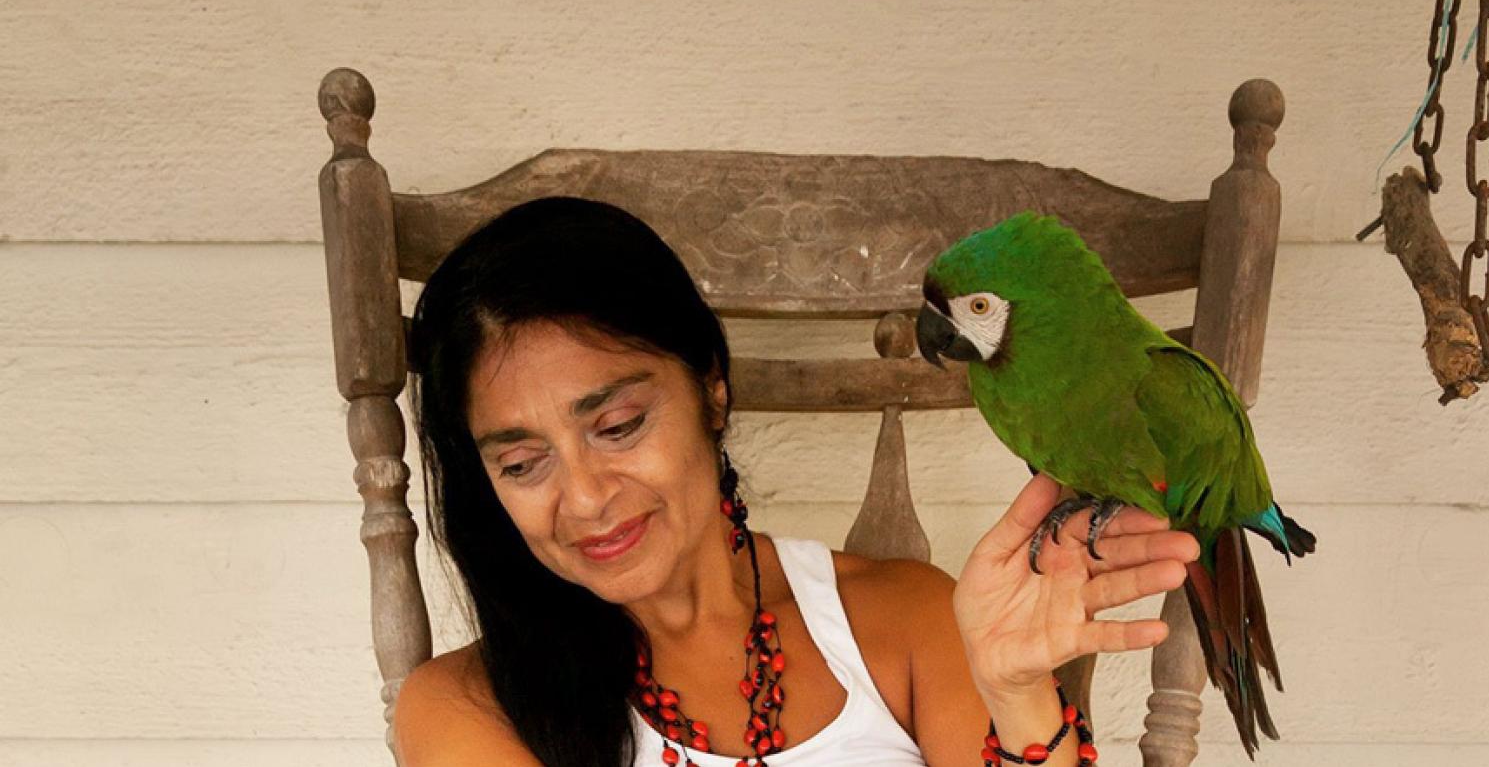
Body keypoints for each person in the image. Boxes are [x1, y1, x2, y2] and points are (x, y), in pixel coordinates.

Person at [392, 196, 1198, 767]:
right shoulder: (459, 709)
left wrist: (1017, 695)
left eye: (617, 426)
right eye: (522, 463)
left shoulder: (908, 617)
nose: (586, 498)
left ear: (711, 387)